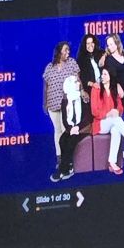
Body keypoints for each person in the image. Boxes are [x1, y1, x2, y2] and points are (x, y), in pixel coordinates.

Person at [44, 41, 83, 184]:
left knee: (66, 132)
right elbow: (46, 86)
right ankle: (60, 158)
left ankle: (66, 163)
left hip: (68, 105)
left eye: (69, 50)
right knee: (58, 131)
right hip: (53, 105)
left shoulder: (72, 63)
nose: (68, 53)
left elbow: (78, 80)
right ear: (59, 51)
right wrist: (45, 103)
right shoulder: (49, 67)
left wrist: (82, 91)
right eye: (65, 50)